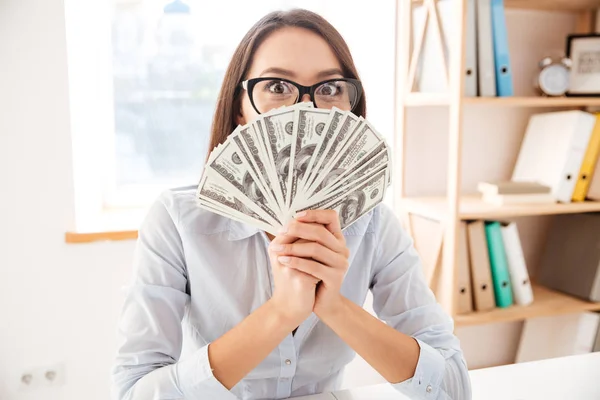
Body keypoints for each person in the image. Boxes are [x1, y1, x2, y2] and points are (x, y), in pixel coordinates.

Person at [111, 9, 471, 400]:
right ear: (240, 108)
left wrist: (334, 307)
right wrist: (282, 312)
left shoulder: (374, 226)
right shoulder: (177, 222)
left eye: (330, 88)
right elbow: (133, 393)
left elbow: (452, 387)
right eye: (278, 87)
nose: (306, 110)